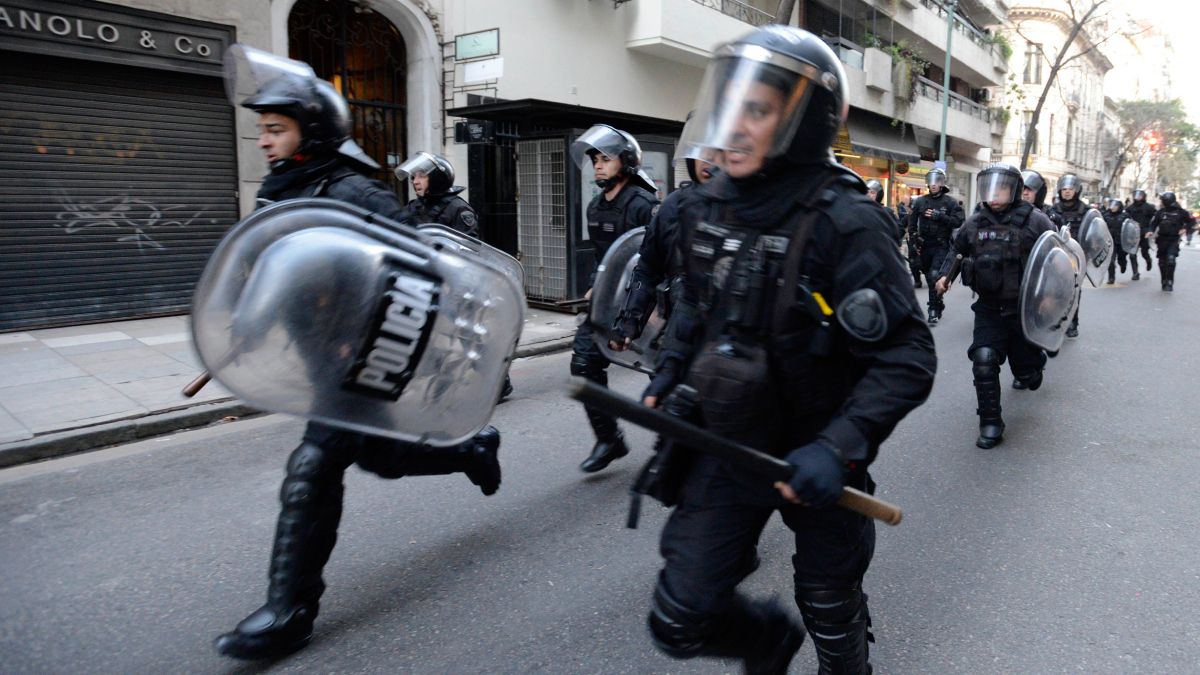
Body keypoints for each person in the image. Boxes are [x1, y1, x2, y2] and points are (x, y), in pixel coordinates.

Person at [641, 26, 937, 673]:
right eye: (732, 103)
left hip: (817, 455)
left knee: (831, 609)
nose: (735, 125)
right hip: (726, 443)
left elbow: (908, 354)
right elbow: (695, 305)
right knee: (679, 616)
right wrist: (668, 373)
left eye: (759, 108)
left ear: (805, 120)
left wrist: (840, 446)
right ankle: (769, 642)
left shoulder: (847, 222)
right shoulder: (704, 208)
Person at [214, 47, 502, 661]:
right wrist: (249, 321)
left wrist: (365, 329)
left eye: (275, 128)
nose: (264, 140)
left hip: (364, 357)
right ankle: (473, 449)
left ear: (310, 131)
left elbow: (424, 275)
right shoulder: (283, 188)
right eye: (262, 129)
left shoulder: (353, 192)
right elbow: (275, 271)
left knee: (313, 466)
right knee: (382, 458)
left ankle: (289, 609)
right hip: (318, 356)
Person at [935, 163, 1056, 449]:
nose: (993, 194)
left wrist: (1052, 295)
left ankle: (1031, 367)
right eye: (988, 187)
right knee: (984, 359)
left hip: (1025, 310)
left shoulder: (1035, 220)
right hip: (989, 308)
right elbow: (958, 250)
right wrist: (944, 275)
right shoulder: (976, 221)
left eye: (1000, 187)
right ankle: (990, 421)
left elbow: (1056, 256)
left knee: (1028, 374)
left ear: (1013, 190)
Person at [570, 124, 660, 472]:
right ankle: (609, 439)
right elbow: (606, 258)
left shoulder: (644, 206)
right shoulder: (595, 207)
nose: (598, 165)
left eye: (605, 159)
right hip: (608, 304)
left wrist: (653, 311)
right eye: (595, 160)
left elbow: (655, 262)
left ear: (625, 163)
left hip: (645, 305)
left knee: (660, 375)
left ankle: (671, 449)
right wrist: (596, 285)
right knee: (584, 366)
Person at [609, 140, 721, 352]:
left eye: (717, 149)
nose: (708, 159)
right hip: (676, 337)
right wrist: (629, 322)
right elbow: (648, 269)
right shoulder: (672, 207)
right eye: (702, 149)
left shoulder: (751, 210)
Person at [907, 168, 964, 324]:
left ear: (942, 183)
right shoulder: (920, 201)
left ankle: (932, 309)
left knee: (934, 275)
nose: (933, 185)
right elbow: (911, 224)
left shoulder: (950, 202)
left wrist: (940, 217)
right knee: (928, 274)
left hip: (941, 245)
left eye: (936, 181)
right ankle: (938, 302)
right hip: (924, 246)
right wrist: (913, 240)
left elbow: (958, 221)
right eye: (931, 181)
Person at [394, 151, 480, 237]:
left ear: (436, 179)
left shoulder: (458, 209)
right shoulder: (412, 207)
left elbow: (467, 247)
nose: (415, 182)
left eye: (422, 176)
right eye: (413, 177)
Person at [1047, 175, 1087, 338]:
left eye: (1070, 189)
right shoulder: (1053, 210)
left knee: (1073, 291)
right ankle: (1058, 319)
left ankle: (1072, 322)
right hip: (1057, 255)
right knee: (1056, 290)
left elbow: (1093, 234)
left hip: (1076, 257)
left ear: (1076, 190)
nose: (1067, 192)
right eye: (1064, 189)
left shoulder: (1085, 211)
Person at [1148, 191, 1195, 291]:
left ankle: (1169, 281)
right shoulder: (1160, 212)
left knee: (1171, 260)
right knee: (1162, 262)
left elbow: (1192, 222)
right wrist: (1150, 231)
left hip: (1173, 240)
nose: (1161, 202)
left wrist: (1185, 228)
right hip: (1161, 240)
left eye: (1163, 200)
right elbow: (1153, 223)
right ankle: (1163, 280)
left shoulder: (1181, 212)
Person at [1103, 198, 1138, 282]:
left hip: (1122, 242)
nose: (1113, 207)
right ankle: (1111, 278)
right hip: (1110, 242)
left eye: (1115, 205)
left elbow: (1131, 228)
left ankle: (1123, 265)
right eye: (1112, 205)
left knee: (1121, 258)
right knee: (1110, 261)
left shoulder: (1125, 216)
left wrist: (1131, 240)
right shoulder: (1105, 215)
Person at [1125, 189, 1156, 271]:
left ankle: (1148, 261)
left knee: (1144, 252)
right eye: (1136, 195)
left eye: (1140, 195)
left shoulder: (1149, 207)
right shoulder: (1130, 208)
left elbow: (1155, 219)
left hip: (1144, 233)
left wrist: (1150, 230)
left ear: (1143, 196)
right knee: (1132, 254)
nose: (1137, 197)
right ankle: (1135, 272)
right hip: (1133, 233)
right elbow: (1125, 220)